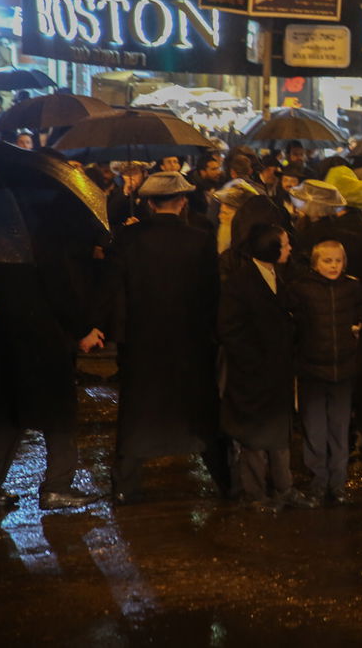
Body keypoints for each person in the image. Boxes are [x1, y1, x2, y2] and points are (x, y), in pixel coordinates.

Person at [103, 171, 229, 505]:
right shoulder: (200, 239)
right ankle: (224, 479)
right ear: (182, 200)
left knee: (139, 409)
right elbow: (211, 293)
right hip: (191, 340)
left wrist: (120, 335)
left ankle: (125, 483)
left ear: (148, 204)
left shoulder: (127, 239)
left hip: (143, 341)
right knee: (198, 408)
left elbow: (115, 290)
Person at [0, 245, 102, 511]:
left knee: (8, 415)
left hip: (2, 337)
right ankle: (57, 487)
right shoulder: (38, 239)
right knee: (61, 413)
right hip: (42, 338)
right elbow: (59, 291)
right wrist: (83, 330)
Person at [219, 223, 312, 512]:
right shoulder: (241, 282)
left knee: (278, 432)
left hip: (277, 373)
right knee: (254, 436)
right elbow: (229, 329)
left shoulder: (277, 275)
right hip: (253, 374)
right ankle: (256, 493)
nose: (289, 249)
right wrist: (253, 360)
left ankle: (284, 488)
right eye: (284, 244)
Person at [289, 240, 362, 505]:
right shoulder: (302, 290)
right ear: (315, 263)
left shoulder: (352, 288)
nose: (334, 266)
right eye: (327, 261)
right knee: (315, 429)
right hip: (312, 369)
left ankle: (337, 483)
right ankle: (318, 482)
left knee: (339, 427)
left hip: (343, 369)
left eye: (338, 261)